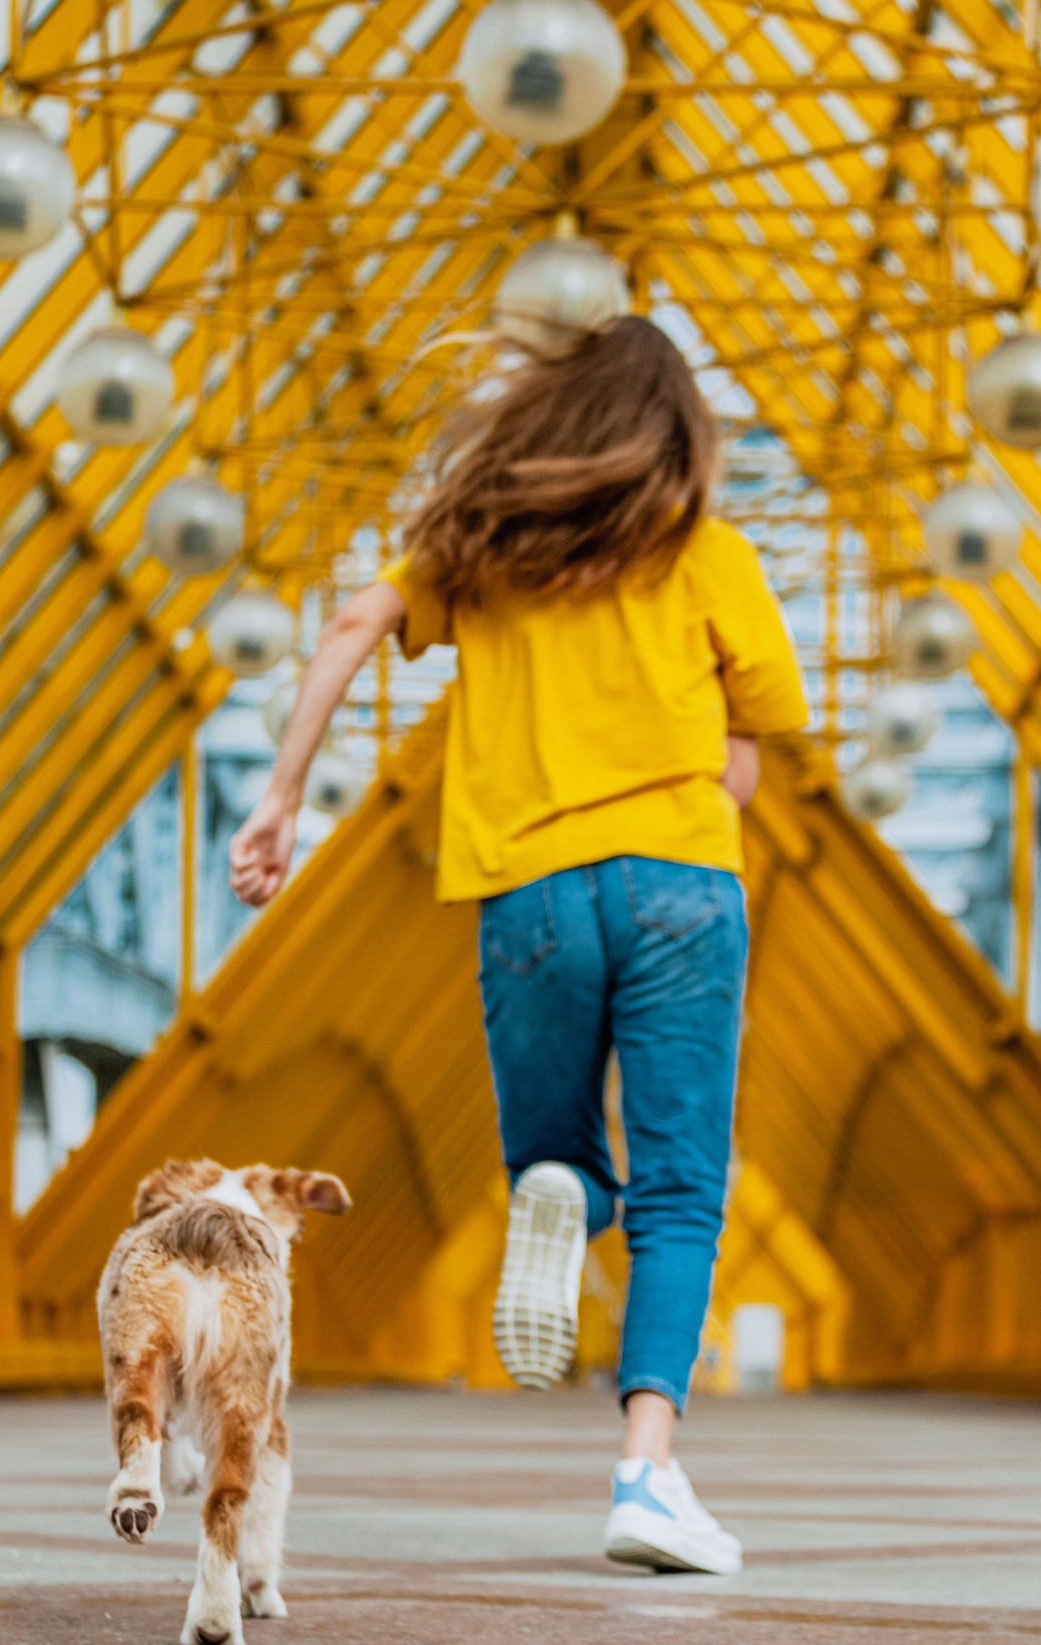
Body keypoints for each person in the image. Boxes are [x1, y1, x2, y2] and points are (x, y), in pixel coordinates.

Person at [227, 315, 807, 1575]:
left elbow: (344, 632)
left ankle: (564, 1191)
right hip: (679, 881)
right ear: (678, 436)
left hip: (530, 893)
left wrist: (280, 801)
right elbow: (749, 758)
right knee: (681, 1188)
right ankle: (646, 1476)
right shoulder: (710, 557)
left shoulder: (477, 549)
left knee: (553, 1153)